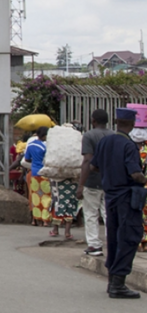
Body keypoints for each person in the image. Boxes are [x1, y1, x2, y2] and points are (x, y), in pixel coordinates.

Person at [91, 107, 147, 299]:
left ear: (116, 122)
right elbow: (135, 173)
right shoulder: (129, 145)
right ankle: (118, 284)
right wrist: (143, 179)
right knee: (130, 237)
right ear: (132, 125)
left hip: (111, 196)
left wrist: (111, 173)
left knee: (114, 238)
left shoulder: (105, 141)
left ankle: (112, 281)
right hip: (126, 198)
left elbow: (94, 166)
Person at [77, 109, 110, 256]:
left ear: (93, 120)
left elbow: (87, 160)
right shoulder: (113, 135)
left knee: (91, 213)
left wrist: (81, 184)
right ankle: (112, 243)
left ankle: (94, 245)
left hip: (92, 181)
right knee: (109, 213)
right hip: (110, 181)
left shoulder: (89, 135)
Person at [23, 127, 51, 226]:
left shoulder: (30, 145)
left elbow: (26, 159)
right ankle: (45, 220)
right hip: (44, 173)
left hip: (34, 173)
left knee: (35, 196)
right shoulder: (45, 147)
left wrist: (34, 162)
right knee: (46, 196)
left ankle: (35, 219)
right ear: (43, 135)